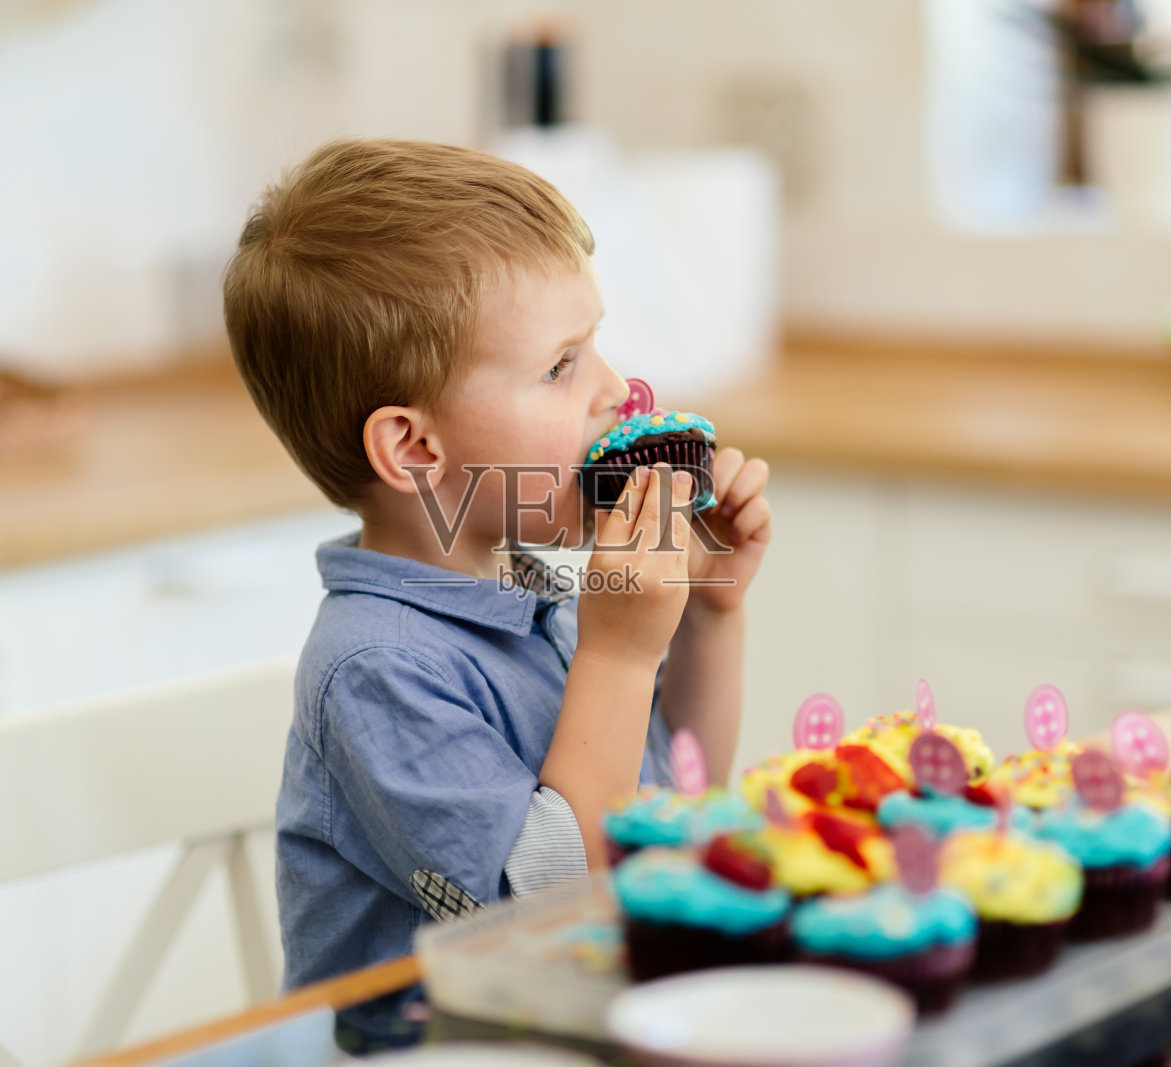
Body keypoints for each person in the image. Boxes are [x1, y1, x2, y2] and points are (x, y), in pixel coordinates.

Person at [222, 138, 773, 1051]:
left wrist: (710, 610)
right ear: (415, 450)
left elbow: (674, 806)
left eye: (595, 343)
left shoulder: (520, 583)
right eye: (561, 366)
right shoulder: (377, 668)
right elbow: (558, 915)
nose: (616, 390)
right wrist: (621, 650)